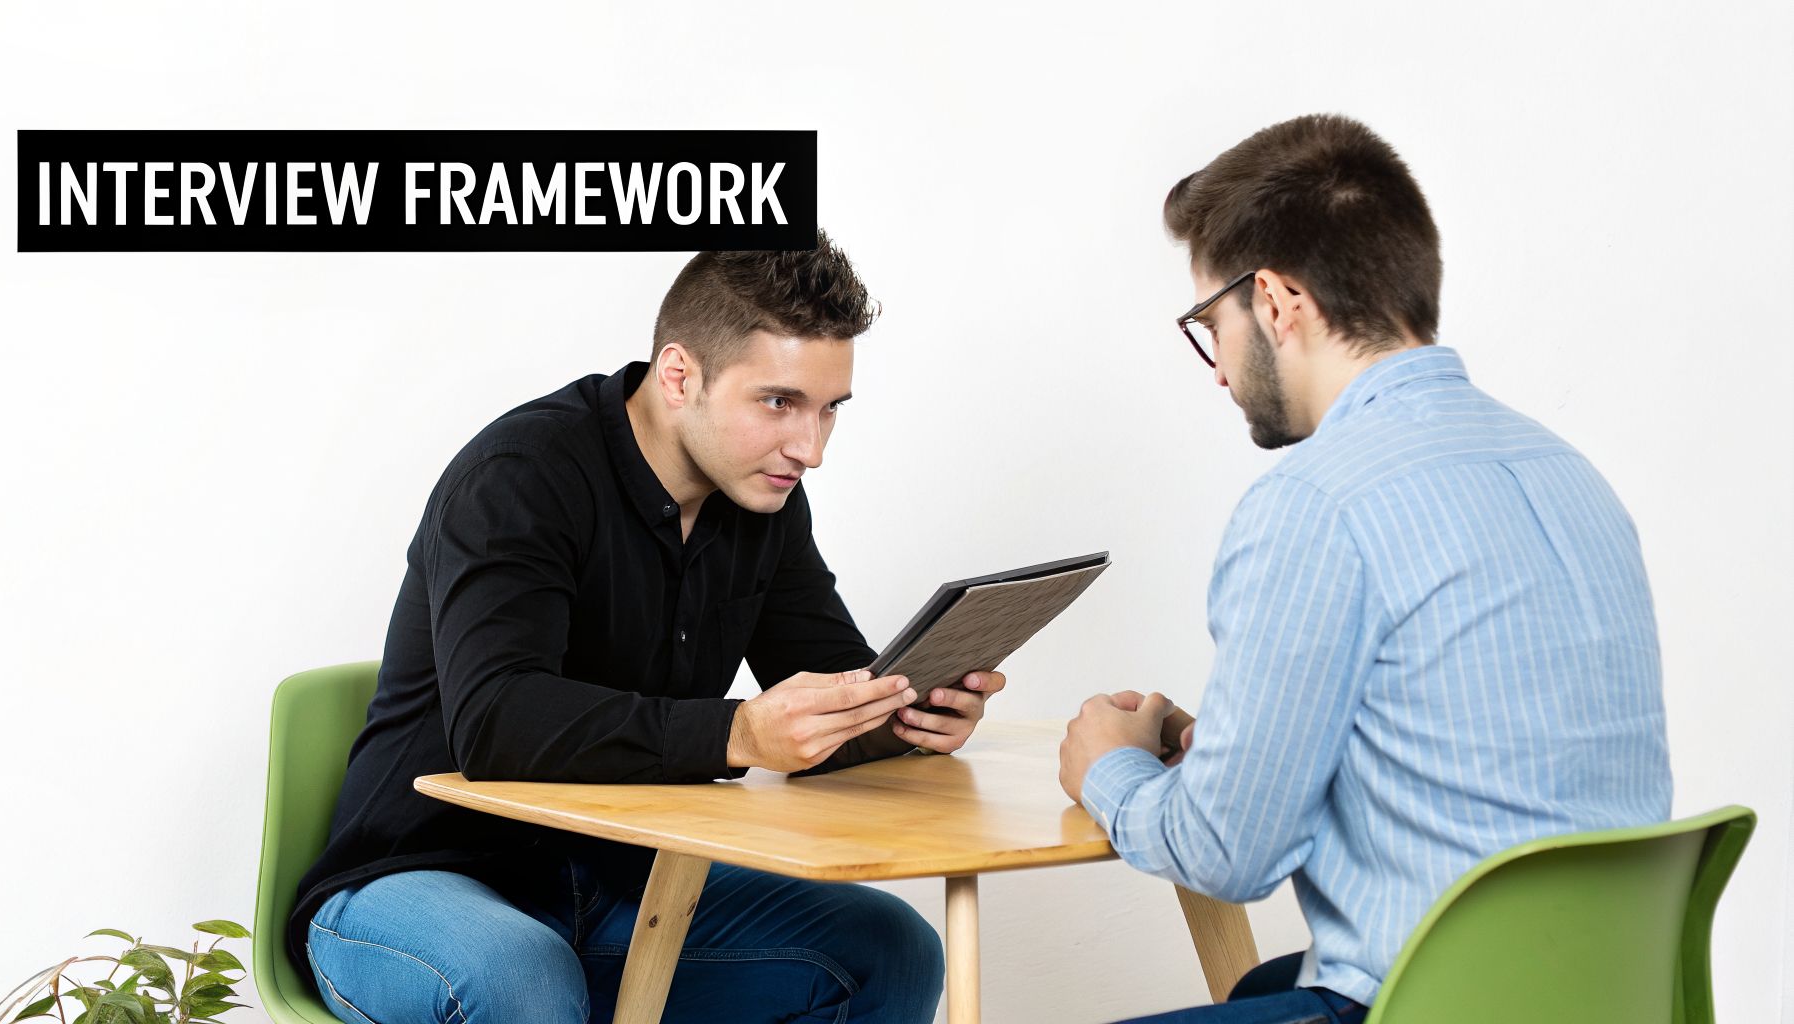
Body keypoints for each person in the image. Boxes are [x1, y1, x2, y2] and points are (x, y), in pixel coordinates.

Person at [292, 231, 1007, 1024]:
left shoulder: (762, 497)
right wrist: (738, 734)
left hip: (616, 887)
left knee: (888, 948)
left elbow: (827, 683)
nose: (810, 449)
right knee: (523, 978)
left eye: (828, 409)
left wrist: (903, 714)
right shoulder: (522, 475)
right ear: (679, 376)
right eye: (779, 402)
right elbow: (494, 723)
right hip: (419, 878)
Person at [1057, 114, 1671, 1024]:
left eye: (1208, 324)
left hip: (1435, 1005)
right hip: (1609, 995)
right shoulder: (1568, 473)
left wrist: (1107, 771)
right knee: (1261, 991)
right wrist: (1230, 747)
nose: (1218, 371)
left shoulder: (1316, 504)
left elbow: (1230, 854)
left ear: (1274, 301)